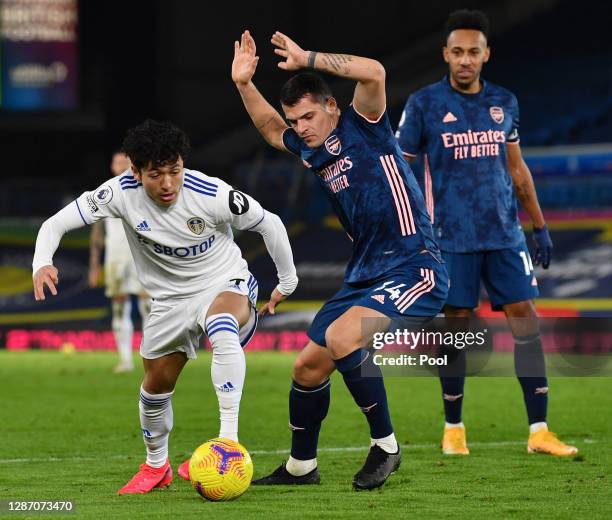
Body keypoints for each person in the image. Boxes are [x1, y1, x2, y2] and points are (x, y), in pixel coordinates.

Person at [32, 119, 299, 494]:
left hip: (223, 282)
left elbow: (269, 224)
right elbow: (54, 224)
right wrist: (42, 261)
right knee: (155, 389)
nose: (169, 183)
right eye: (156, 175)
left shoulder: (211, 193)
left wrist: (288, 282)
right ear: (136, 171)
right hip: (169, 301)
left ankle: (228, 444)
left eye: (175, 171)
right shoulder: (118, 193)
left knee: (222, 324)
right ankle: (157, 467)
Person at [232, 30, 449, 490]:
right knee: (307, 367)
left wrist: (308, 57)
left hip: (415, 264)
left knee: (344, 336)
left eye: (309, 115)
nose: (302, 126)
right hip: (365, 274)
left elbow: (374, 72)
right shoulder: (311, 149)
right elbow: (273, 131)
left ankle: (386, 446)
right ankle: (300, 468)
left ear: (332, 105)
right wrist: (244, 85)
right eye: (297, 118)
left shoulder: (364, 123)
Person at [395, 9, 577, 456]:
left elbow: (517, 169)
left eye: (473, 52)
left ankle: (539, 431)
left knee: (526, 322)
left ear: (486, 55)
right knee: (455, 330)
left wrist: (538, 224)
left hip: (503, 235)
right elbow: (399, 170)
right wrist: (404, 229)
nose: (464, 60)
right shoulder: (423, 105)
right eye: (457, 52)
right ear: (445, 54)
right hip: (449, 238)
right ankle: (453, 428)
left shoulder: (505, 102)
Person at [89, 151, 150, 373]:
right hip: (115, 259)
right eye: (117, 161)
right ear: (112, 165)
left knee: (148, 306)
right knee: (119, 307)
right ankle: (125, 360)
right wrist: (94, 266)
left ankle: (150, 356)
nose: (122, 164)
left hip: (142, 256)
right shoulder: (103, 194)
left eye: (126, 161)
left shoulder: (144, 190)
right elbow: (96, 234)